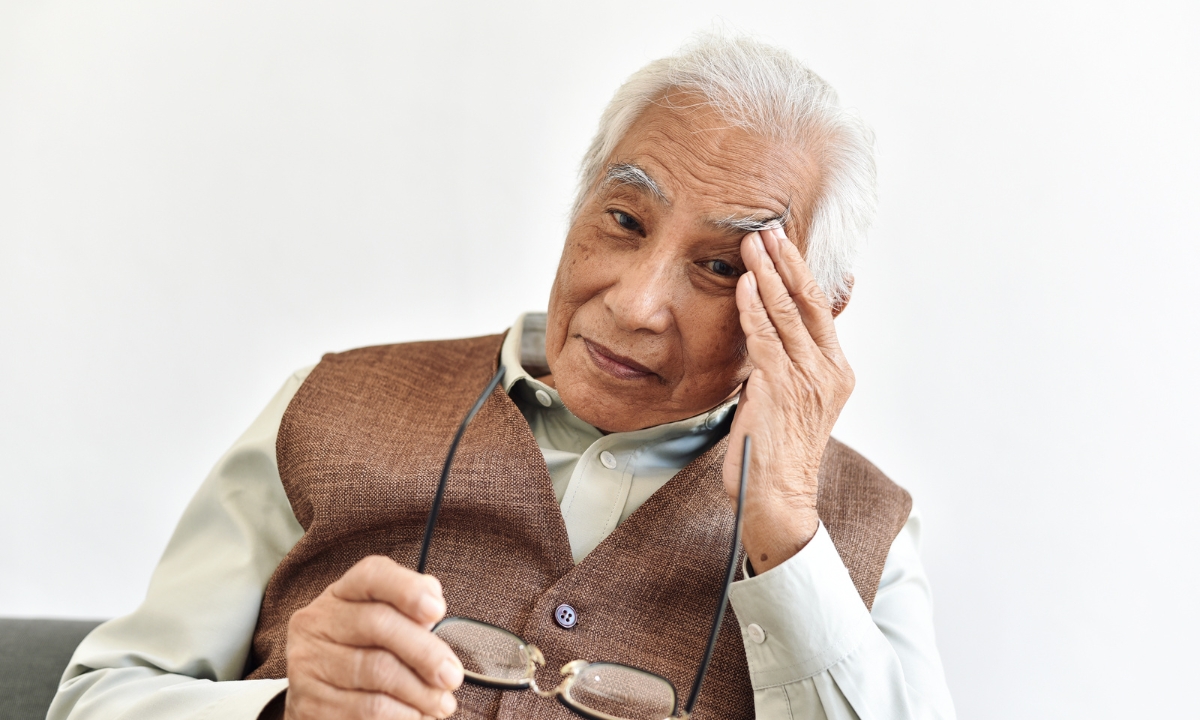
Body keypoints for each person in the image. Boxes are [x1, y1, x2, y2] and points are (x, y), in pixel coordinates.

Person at [49, 35, 955, 720]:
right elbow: (95, 697)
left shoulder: (862, 528)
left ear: (812, 311)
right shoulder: (328, 408)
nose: (637, 303)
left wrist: (788, 526)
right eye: (625, 220)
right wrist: (281, 709)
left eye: (721, 268)